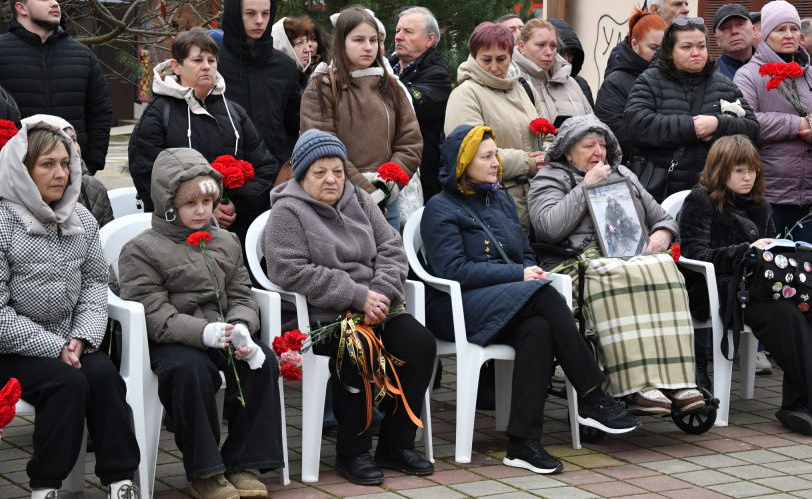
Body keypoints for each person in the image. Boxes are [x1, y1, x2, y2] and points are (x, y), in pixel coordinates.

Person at [421, 125, 641, 474]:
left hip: (506, 300)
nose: (496, 164)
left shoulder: (501, 198)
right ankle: (592, 395)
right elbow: (454, 271)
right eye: (487, 157)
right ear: (463, 163)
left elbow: (524, 253)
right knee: (544, 296)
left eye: (496, 156)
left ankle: (522, 444)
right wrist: (520, 277)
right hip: (457, 307)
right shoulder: (440, 207)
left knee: (538, 328)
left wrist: (528, 272)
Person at [264, 130, 435, 486]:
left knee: (419, 344)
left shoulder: (359, 198)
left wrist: (380, 294)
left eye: (338, 171)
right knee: (357, 346)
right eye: (320, 172)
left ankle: (395, 443)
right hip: (321, 317)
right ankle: (352, 451)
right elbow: (288, 269)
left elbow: (392, 248)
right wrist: (356, 297)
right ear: (302, 174)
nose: (331, 180)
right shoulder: (286, 211)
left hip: (376, 305)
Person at [677, 135, 812, 439]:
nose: (748, 177)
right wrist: (745, 250)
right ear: (720, 170)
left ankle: (799, 406)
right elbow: (694, 257)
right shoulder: (700, 201)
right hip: (719, 290)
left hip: (761, 287)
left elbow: (769, 257)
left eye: (752, 170)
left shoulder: (760, 205)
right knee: (785, 313)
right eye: (739, 171)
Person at [119, 148, 284, 499]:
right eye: (191, 203)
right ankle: (205, 473)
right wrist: (202, 333)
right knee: (192, 372)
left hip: (222, 331)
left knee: (261, 362)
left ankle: (244, 463)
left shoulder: (225, 241)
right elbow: (151, 311)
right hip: (172, 341)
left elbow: (241, 293)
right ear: (168, 204)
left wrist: (242, 327)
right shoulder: (142, 249)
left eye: (208, 201)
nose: (201, 211)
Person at [0, 115, 140, 499]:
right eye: (47, 164)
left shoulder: (80, 218)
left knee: (105, 377)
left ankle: (120, 479)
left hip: (70, 341)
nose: (61, 173)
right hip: (11, 349)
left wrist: (81, 336)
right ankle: (45, 486)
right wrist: (53, 347)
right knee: (67, 383)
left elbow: (96, 283)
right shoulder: (2, 220)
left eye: (65, 163)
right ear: (22, 170)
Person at [528, 115, 705, 414]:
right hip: (574, 261)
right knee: (614, 274)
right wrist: (586, 186)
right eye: (589, 146)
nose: (599, 152)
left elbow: (662, 217)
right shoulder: (550, 178)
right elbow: (548, 228)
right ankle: (635, 386)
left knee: (665, 268)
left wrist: (662, 235)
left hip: (627, 256)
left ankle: (678, 381)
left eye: (603, 145)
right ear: (569, 151)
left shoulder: (623, 173)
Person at [129, 28, 278, 240]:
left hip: (233, 232)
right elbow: (147, 177)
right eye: (197, 60)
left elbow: (264, 166)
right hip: (177, 236)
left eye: (211, 60)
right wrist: (202, 208)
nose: (206, 66)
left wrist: (234, 204)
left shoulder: (234, 112)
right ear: (176, 66)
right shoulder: (157, 113)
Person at [301, 7, 423, 230]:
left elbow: (410, 142)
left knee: (390, 262)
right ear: (341, 42)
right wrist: (366, 193)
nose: (368, 47)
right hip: (338, 199)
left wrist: (386, 186)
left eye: (373, 40)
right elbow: (323, 149)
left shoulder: (391, 86)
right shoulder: (322, 87)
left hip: (388, 200)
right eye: (358, 40)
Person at [623, 16, 759, 201]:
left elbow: (752, 127)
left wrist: (717, 125)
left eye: (701, 46)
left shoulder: (724, 84)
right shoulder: (649, 81)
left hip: (712, 195)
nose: (696, 53)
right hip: (660, 193)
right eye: (687, 47)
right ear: (670, 51)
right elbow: (637, 125)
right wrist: (691, 127)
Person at [735, 1, 812, 245]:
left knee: (803, 267)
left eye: (793, 28)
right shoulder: (749, 74)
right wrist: (798, 124)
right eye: (780, 30)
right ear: (766, 34)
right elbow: (746, 122)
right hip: (769, 191)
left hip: (811, 191)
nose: (789, 35)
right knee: (769, 267)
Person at [0, 0, 112, 174]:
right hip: (10, 171)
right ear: (21, 8)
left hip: (70, 170)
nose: (54, 3)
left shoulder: (83, 55)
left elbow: (100, 112)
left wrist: (92, 163)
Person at [444, 22, 545, 232]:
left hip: (538, 198)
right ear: (473, 56)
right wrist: (528, 163)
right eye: (486, 60)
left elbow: (547, 133)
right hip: (493, 202)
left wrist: (548, 154)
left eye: (501, 59)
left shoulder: (525, 89)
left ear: (511, 56)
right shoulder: (465, 94)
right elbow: (469, 156)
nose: (493, 67)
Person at [217, 0, 304, 172]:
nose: (259, 21)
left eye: (265, 14)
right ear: (235, 13)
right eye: (250, 13)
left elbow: (294, 124)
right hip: (225, 177)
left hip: (276, 176)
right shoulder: (212, 63)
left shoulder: (284, 66)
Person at [389, 6, 452, 202]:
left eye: (408, 32)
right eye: (398, 31)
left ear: (429, 40)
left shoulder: (438, 76)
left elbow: (404, 104)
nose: (399, 37)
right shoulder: (387, 65)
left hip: (419, 177)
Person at [594, 9, 665, 159]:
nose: (660, 54)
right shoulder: (615, 83)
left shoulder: (673, 77)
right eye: (653, 48)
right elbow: (617, 138)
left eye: (665, 48)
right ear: (634, 44)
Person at [513, 19, 592, 123]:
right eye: (541, 45)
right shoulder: (511, 81)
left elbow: (593, 125)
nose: (549, 52)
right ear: (522, 47)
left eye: (553, 46)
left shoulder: (570, 82)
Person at [62, 123, 114, 228]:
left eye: (74, 140)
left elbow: (106, 235)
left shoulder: (95, 187)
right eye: (65, 141)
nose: (75, 149)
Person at [549, 18, 595, 108]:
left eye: (571, 54)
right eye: (561, 53)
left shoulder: (581, 84)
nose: (568, 59)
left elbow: (591, 119)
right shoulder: (534, 84)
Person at [713, 4, 756, 80]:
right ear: (717, 40)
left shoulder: (774, 68)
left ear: (753, 30)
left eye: (740, 24)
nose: (734, 31)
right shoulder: (709, 75)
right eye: (726, 27)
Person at [271, 15, 316, 86]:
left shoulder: (315, 81)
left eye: (306, 41)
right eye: (300, 43)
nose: (307, 49)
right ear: (284, 47)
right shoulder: (273, 85)